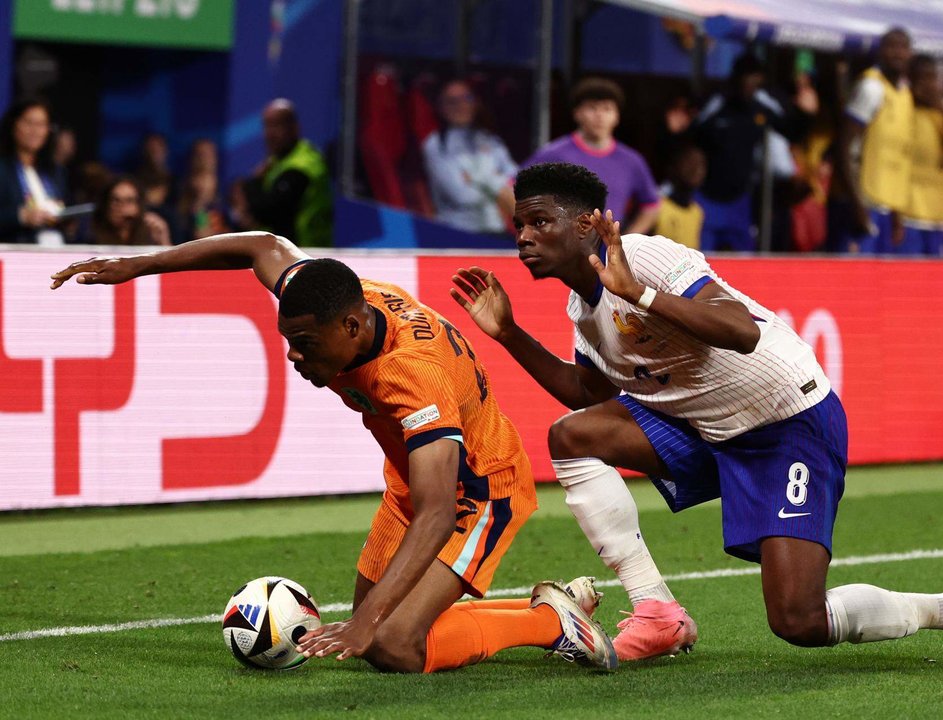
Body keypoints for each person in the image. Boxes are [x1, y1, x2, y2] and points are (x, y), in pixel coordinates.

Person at [451, 161, 943, 667]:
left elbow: (741, 333)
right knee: (573, 435)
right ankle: (657, 611)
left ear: (586, 225)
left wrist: (640, 294)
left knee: (799, 620)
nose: (524, 237)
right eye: (519, 226)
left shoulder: (648, 259)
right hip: (709, 430)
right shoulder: (583, 305)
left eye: (539, 222)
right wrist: (507, 333)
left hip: (788, 423)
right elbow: (586, 391)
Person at [50, 231, 616, 674]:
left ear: (351, 326)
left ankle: (547, 624)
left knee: (391, 643)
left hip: (479, 488)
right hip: (411, 481)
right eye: (289, 342)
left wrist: (366, 622)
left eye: (306, 345)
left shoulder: (412, 377)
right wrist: (137, 267)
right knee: (374, 632)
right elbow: (263, 247)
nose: (295, 357)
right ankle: (535, 610)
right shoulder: (325, 299)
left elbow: (440, 510)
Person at [693, 53, 817, 252]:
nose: (749, 85)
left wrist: (806, 115)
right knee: (700, 261)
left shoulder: (761, 108)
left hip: (740, 201)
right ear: (735, 79)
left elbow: (791, 131)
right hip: (708, 199)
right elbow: (692, 134)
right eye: (745, 78)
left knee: (743, 260)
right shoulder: (718, 103)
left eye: (754, 80)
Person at [506, 77, 659, 234]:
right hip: (563, 252)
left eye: (607, 109)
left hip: (608, 254)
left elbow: (651, 206)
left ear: (617, 116)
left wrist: (627, 241)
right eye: (592, 108)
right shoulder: (554, 154)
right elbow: (509, 191)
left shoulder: (632, 161)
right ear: (577, 114)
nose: (599, 115)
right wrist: (536, 232)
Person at [836, 28, 915, 254]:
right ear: (881, 51)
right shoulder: (871, 87)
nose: (897, 54)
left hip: (888, 207)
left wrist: (897, 210)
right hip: (864, 203)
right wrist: (856, 204)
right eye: (891, 47)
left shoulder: (905, 93)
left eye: (903, 48)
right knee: (853, 281)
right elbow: (844, 145)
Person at [422, 78, 518, 236]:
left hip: (499, 232)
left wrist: (476, 178)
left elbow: (516, 180)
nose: (461, 106)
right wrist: (499, 183)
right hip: (458, 233)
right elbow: (464, 196)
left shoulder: (489, 139)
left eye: (467, 98)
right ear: (441, 107)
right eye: (452, 101)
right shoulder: (436, 144)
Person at [900, 55, 943, 256]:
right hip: (908, 216)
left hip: (939, 218)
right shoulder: (904, 110)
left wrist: (941, 108)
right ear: (911, 81)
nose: (929, 84)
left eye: (933, 78)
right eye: (923, 78)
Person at [243, 99, 333, 247]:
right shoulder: (278, 162)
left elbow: (269, 212)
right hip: (284, 253)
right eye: (267, 126)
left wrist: (253, 183)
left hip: (305, 254)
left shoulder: (303, 165)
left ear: (294, 128)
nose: (270, 134)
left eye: (276, 125)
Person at [0, 97, 66, 245]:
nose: (35, 130)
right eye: (29, 122)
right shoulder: (3, 168)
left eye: (41, 124)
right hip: (16, 250)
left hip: (57, 248)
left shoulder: (56, 171)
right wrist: (21, 217)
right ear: (13, 125)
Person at [79, 177, 170, 246]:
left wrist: (162, 238)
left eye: (129, 200)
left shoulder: (149, 232)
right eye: (116, 200)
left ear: (139, 205)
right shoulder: (90, 235)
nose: (122, 207)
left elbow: (171, 267)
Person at [655, 143, 706, 249]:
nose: (697, 169)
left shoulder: (697, 212)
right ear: (674, 166)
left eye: (701, 164)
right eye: (689, 162)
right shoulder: (657, 208)